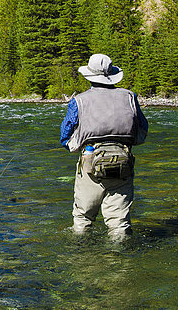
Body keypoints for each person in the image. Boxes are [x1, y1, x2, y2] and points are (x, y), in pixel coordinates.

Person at [60, 53, 148, 237]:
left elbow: (65, 137)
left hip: (90, 164)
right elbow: (142, 131)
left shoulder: (79, 101)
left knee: (83, 220)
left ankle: (81, 259)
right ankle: (120, 261)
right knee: (119, 225)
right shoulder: (130, 97)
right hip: (123, 164)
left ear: (89, 76)